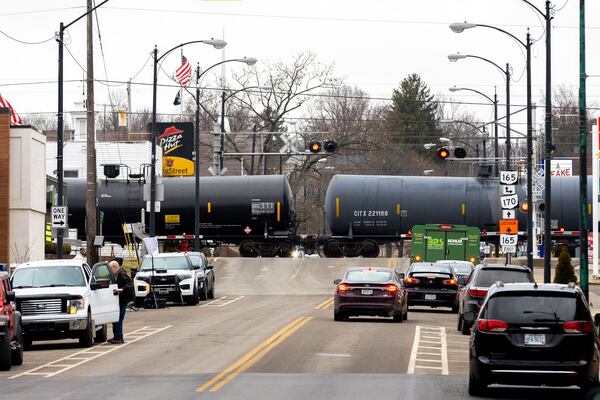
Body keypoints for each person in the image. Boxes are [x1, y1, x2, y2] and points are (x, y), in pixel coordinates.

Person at [108, 260, 133, 344]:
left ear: (114, 267)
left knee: (118, 319)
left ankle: (119, 337)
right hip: (117, 300)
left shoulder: (121, 273)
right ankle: (116, 336)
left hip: (122, 300)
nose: (110, 271)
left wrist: (122, 289)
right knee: (115, 319)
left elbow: (130, 285)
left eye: (110, 268)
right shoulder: (116, 274)